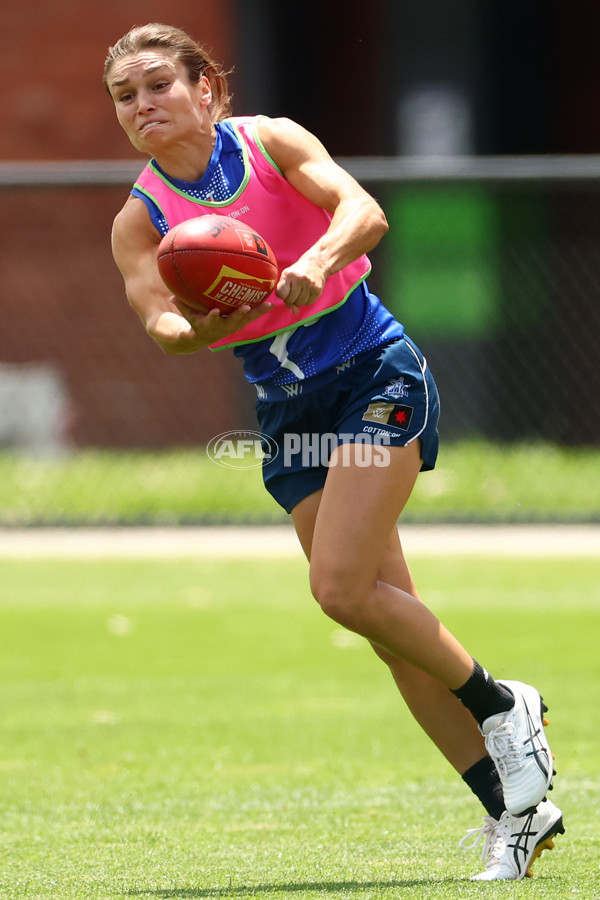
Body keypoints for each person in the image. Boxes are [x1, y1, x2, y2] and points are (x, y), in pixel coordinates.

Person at [104, 23, 564, 881]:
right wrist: (198, 323)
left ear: (207, 88)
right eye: (125, 97)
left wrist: (315, 260)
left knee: (339, 587)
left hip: (372, 376)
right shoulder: (143, 219)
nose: (142, 106)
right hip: (288, 411)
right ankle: (519, 813)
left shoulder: (271, 142)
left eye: (158, 84)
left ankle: (504, 706)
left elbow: (363, 210)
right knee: (389, 624)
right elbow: (160, 326)